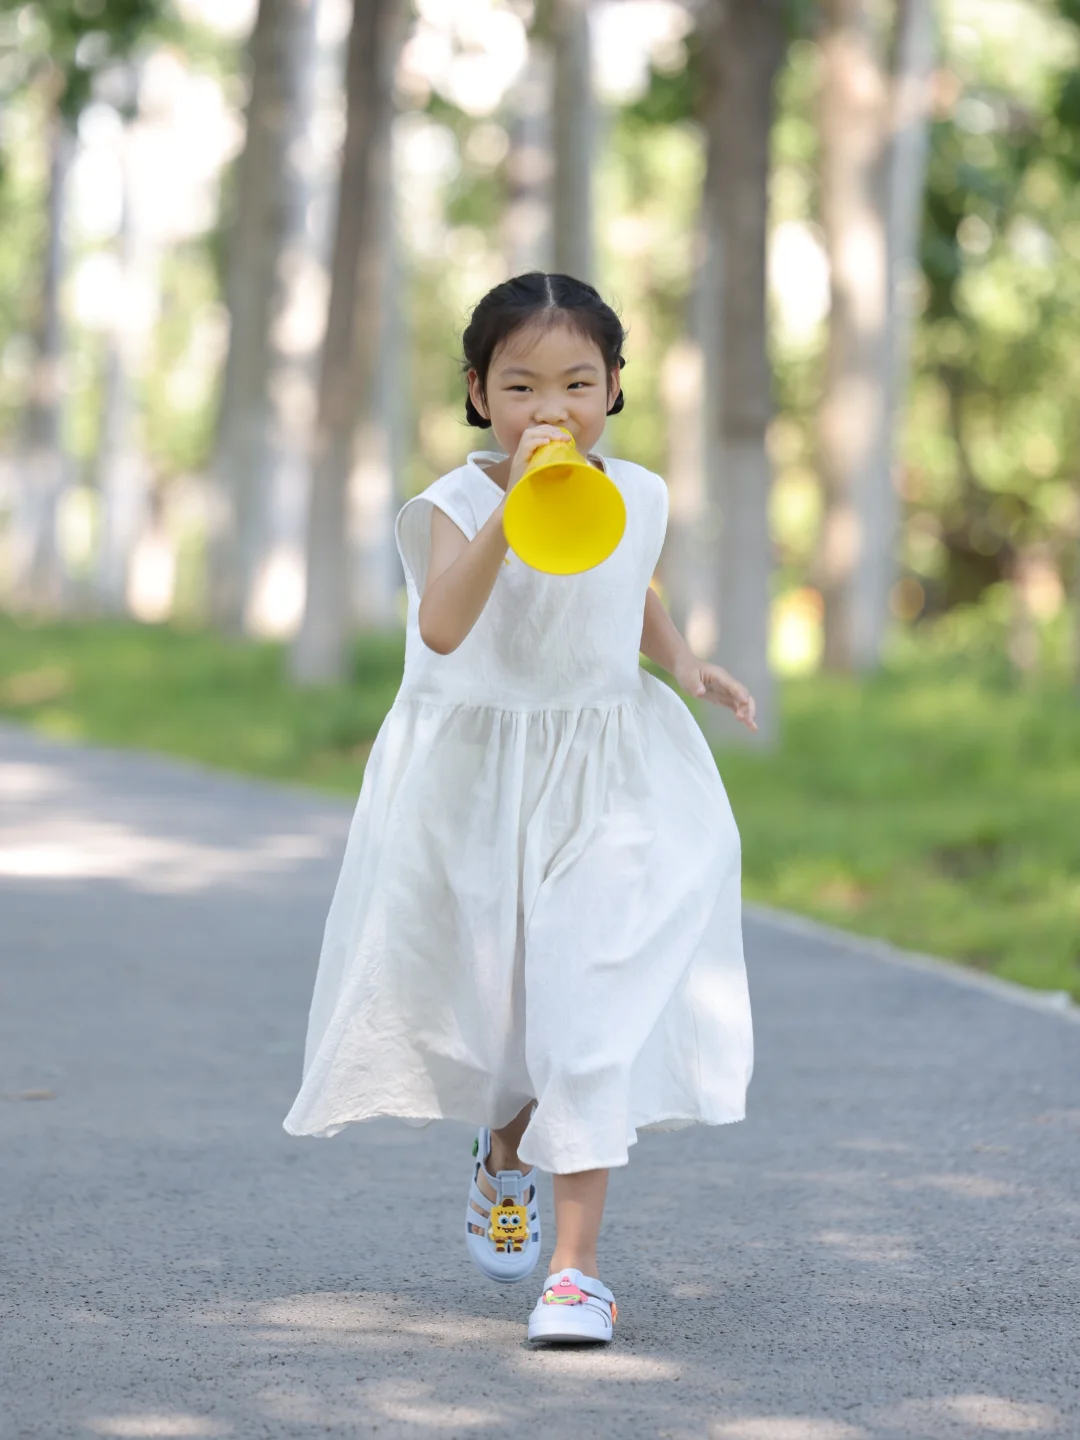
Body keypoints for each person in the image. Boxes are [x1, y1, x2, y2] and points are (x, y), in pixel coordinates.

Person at [284, 271, 756, 1345]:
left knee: (586, 1008)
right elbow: (444, 629)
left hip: (606, 771)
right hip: (473, 778)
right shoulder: (450, 506)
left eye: (579, 383)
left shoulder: (637, 493)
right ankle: (502, 1158)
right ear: (479, 394)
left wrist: (686, 662)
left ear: (617, 389)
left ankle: (578, 1274)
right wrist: (514, 507)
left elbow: (631, 581)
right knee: (504, 1019)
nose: (554, 408)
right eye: (524, 385)